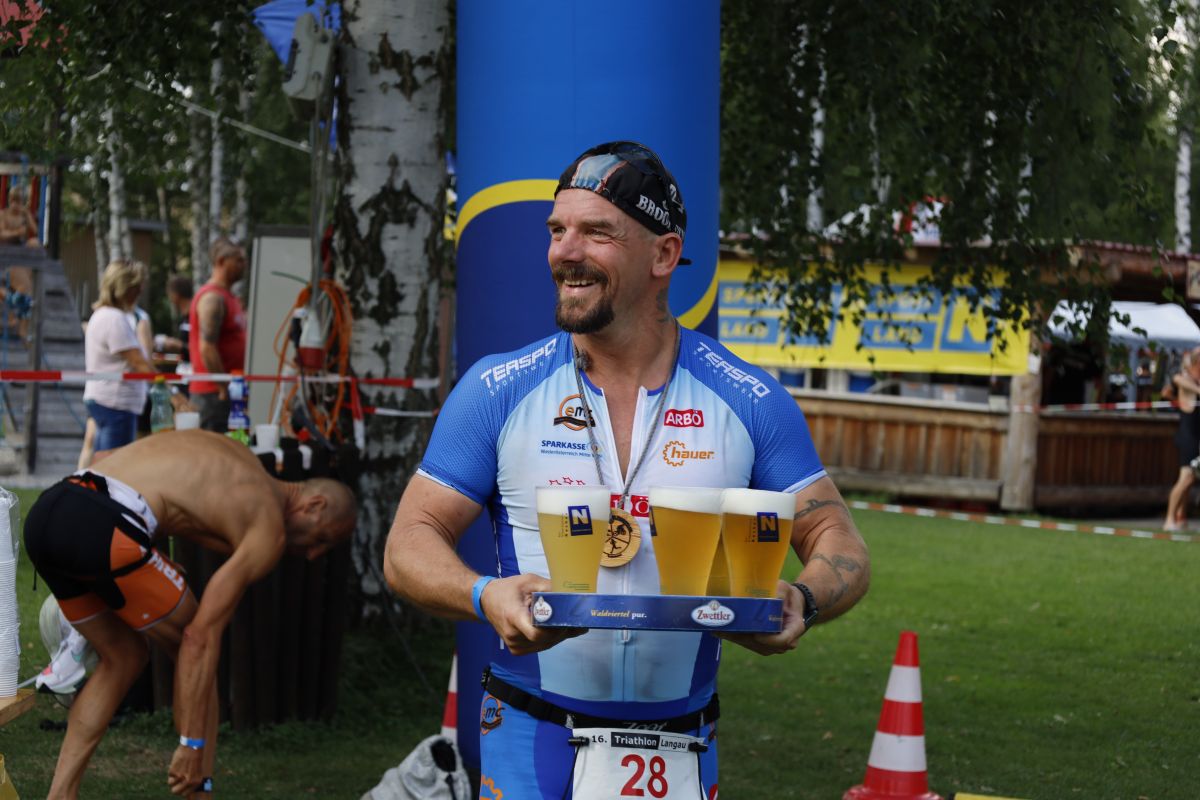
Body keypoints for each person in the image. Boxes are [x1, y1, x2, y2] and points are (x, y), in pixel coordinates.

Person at [383, 141, 871, 798]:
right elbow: (407, 544)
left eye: (596, 232)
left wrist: (801, 601)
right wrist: (483, 594)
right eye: (557, 230)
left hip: (681, 739)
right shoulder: (497, 389)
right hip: (530, 735)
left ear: (664, 255)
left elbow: (839, 540)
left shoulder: (748, 398)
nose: (564, 252)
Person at [23, 430, 358, 799]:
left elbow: (104, 458)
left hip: (48, 513)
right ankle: (198, 785)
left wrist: (147, 555)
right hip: (105, 528)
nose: (313, 555)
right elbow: (198, 638)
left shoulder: (233, 454)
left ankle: (60, 795)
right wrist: (191, 743)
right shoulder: (269, 526)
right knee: (198, 652)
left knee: (124, 655)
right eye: (323, 540)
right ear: (314, 506)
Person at [82, 260, 154, 459]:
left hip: (108, 400)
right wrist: (172, 393)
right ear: (125, 289)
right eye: (137, 287)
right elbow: (140, 363)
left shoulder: (103, 315)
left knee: (102, 464)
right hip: (116, 403)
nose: (141, 291)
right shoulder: (114, 319)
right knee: (111, 468)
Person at [188, 239, 248, 432]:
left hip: (229, 391)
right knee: (211, 450)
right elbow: (207, 348)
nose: (243, 265)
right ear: (222, 261)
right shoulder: (212, 298)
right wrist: (222, 387)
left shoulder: (229, 297)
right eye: (238, 260)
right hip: (212, 395)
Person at [1163, 347, 1200, 531]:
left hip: (1195, 436)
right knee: (1186, 478)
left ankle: (1180, 516)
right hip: (1188, 436)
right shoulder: (1185, 379)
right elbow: (1170, 387)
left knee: (1190, 479)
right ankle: (1169, 520)